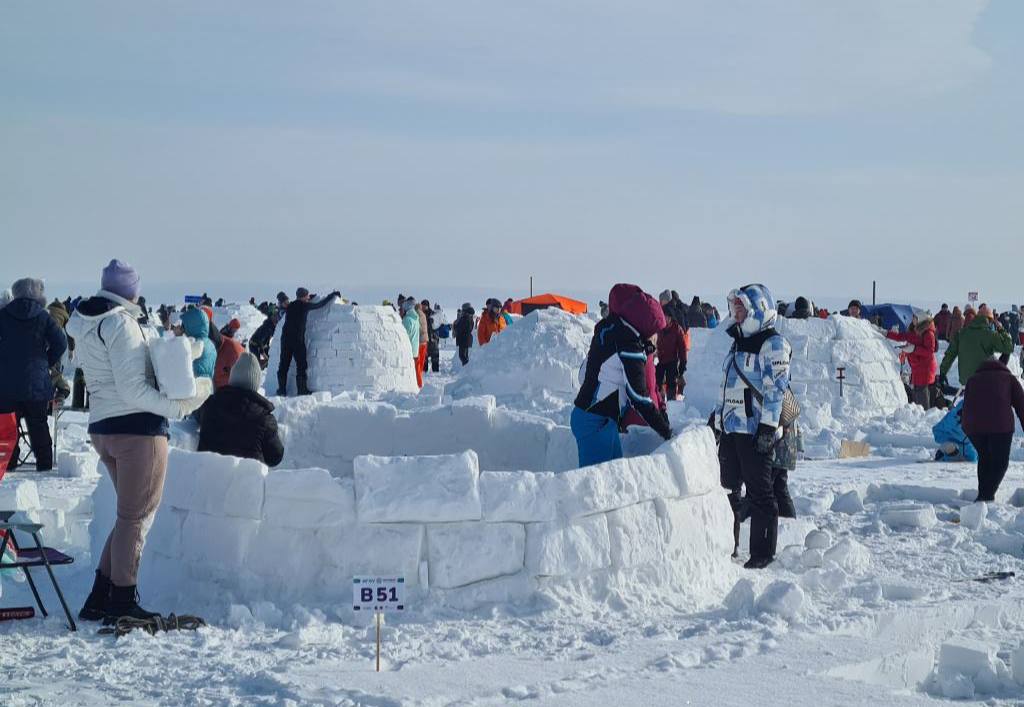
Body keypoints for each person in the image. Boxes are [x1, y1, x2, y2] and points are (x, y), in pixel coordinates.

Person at [67, 259, 210, 621]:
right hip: (138, 432)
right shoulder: (120, 323)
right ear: (131, 291)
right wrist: (178, 408)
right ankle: (122, 601)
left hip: (104, 428)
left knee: (128, 516)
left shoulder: (86, 322)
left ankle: (101, 596)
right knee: (136, 517)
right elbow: (132, 388)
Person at [712, 283, 794, 569]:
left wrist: (768, 429)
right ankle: (728, 546)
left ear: (756, 310)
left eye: (741, 309)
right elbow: (727, 386)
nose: (736, 314)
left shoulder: (773, 344)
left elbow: (776, 390)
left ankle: (762, 552)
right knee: (728, 490)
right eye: (734, 308)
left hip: (756, 430)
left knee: (761, 494)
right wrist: (718, 419)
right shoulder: (737, 341)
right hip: (733, 428)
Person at [572, 284, 672, 467]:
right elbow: (639, 397)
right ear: (647, 325)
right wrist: (666, 431)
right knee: (596, 488)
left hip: (600, 420)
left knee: (615, 483)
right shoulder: (629, 344)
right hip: (594, 422)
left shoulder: (614, 329)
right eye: (656, 331)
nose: (657, 337)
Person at [0, 278, 68, 471]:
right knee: (38, 425)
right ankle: (44, 465)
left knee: (7, 427)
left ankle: (8, 464)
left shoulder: (3, 315)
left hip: (6, 385)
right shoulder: (44, 317)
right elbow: (61, 343)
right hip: (36, 384)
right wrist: (45, 360)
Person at [198, 352, 284, 466]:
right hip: (245, 482)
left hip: (207, 476)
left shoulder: (210, 404)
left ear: (233, 377)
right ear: (255, 383)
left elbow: (196, 414)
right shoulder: (264, 419)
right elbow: (275, 457)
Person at [962, 359, 1024, 502]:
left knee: (985, 458)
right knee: (1000, 462)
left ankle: (984, 497)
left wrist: (966, 428)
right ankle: (985, 496)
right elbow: (1021, 405)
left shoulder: (973, 379)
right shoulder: (1008, 378)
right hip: (1001, 428)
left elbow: (965, 406)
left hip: (975, 429)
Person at [276, 287, 340, 396]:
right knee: (301, 365)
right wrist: (332, 295)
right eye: (307, 296)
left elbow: (284, 302)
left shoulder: (290, 305)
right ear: (304, 296)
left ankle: (281, 390)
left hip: (285, 339)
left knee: (283, 365)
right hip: (297, 340)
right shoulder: (305, 306)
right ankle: (302, 390)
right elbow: (320, 304)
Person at [940, 304, 1014, 387]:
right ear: (989, 320)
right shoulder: (990, 335)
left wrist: (942, 372)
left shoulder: (961, 333)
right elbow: (1009, 348)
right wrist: (1001, 329)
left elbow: (950, 354)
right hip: (984, 380)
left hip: (966, 380)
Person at [887, 312, 938, 409]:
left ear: (921, 320)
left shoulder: (928, 333)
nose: (913, 319)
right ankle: (920, 414)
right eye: (913, 317)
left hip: (925, 367)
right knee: (917, 391)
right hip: (917, 366)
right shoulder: (913, 331)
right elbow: (900, 336)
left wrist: (914, 349)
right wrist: (886, 333)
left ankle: (924, 416)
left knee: (921, 392)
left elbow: (929, 351)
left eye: (915, 318)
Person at [656, 308, 687, 401]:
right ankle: (659, 402)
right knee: (657, 381)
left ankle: (671, 402)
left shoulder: (677, 329)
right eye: (663, 316)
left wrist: (683, 363)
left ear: (670, 318)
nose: (664, 319)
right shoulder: (659, 327)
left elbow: (682, 348)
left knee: (671, 381)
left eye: (666, 317)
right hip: (660, 360)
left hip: (672, 360)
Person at [180, 307, 216, 380]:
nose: (182, 328)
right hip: (207, 387)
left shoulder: (195, 344)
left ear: (192, 325)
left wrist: (177, 336)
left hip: (194, 388)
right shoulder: (210, 343)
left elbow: (178, 359)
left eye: (184, 325)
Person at [213, 318, 245, 389]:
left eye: (236, 330)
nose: (235, 331)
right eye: (234, 329)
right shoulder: (224, 332)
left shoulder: (229, 330)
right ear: (231, 326)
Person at [401, 298, 422, 386]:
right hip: (415, 349)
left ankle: (416, 387)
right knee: (416, 371)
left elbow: (403, 337)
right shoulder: (416, 318)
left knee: (411, 372)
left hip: (409, 350)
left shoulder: (407, 319)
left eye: (405, 304)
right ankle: (419, 386)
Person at [421, 300, 441, 374]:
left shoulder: (433, 314)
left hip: (433, 338)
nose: (423, 307)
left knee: (435, 356)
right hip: (424, 338)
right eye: (422, 305)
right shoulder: (421, 314)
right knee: (424, 356)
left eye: (424, 305)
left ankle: (435, 371)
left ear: (428, 305)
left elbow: (437, 325)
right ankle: (424, 371)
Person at [416, 301, 429, 379]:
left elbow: (418, 328)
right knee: (422, 359)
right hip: (425, 340)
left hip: (420, 340)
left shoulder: (417, 315)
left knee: (418, 360)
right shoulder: (423, 315)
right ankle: (420, 374)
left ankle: (419, 378)